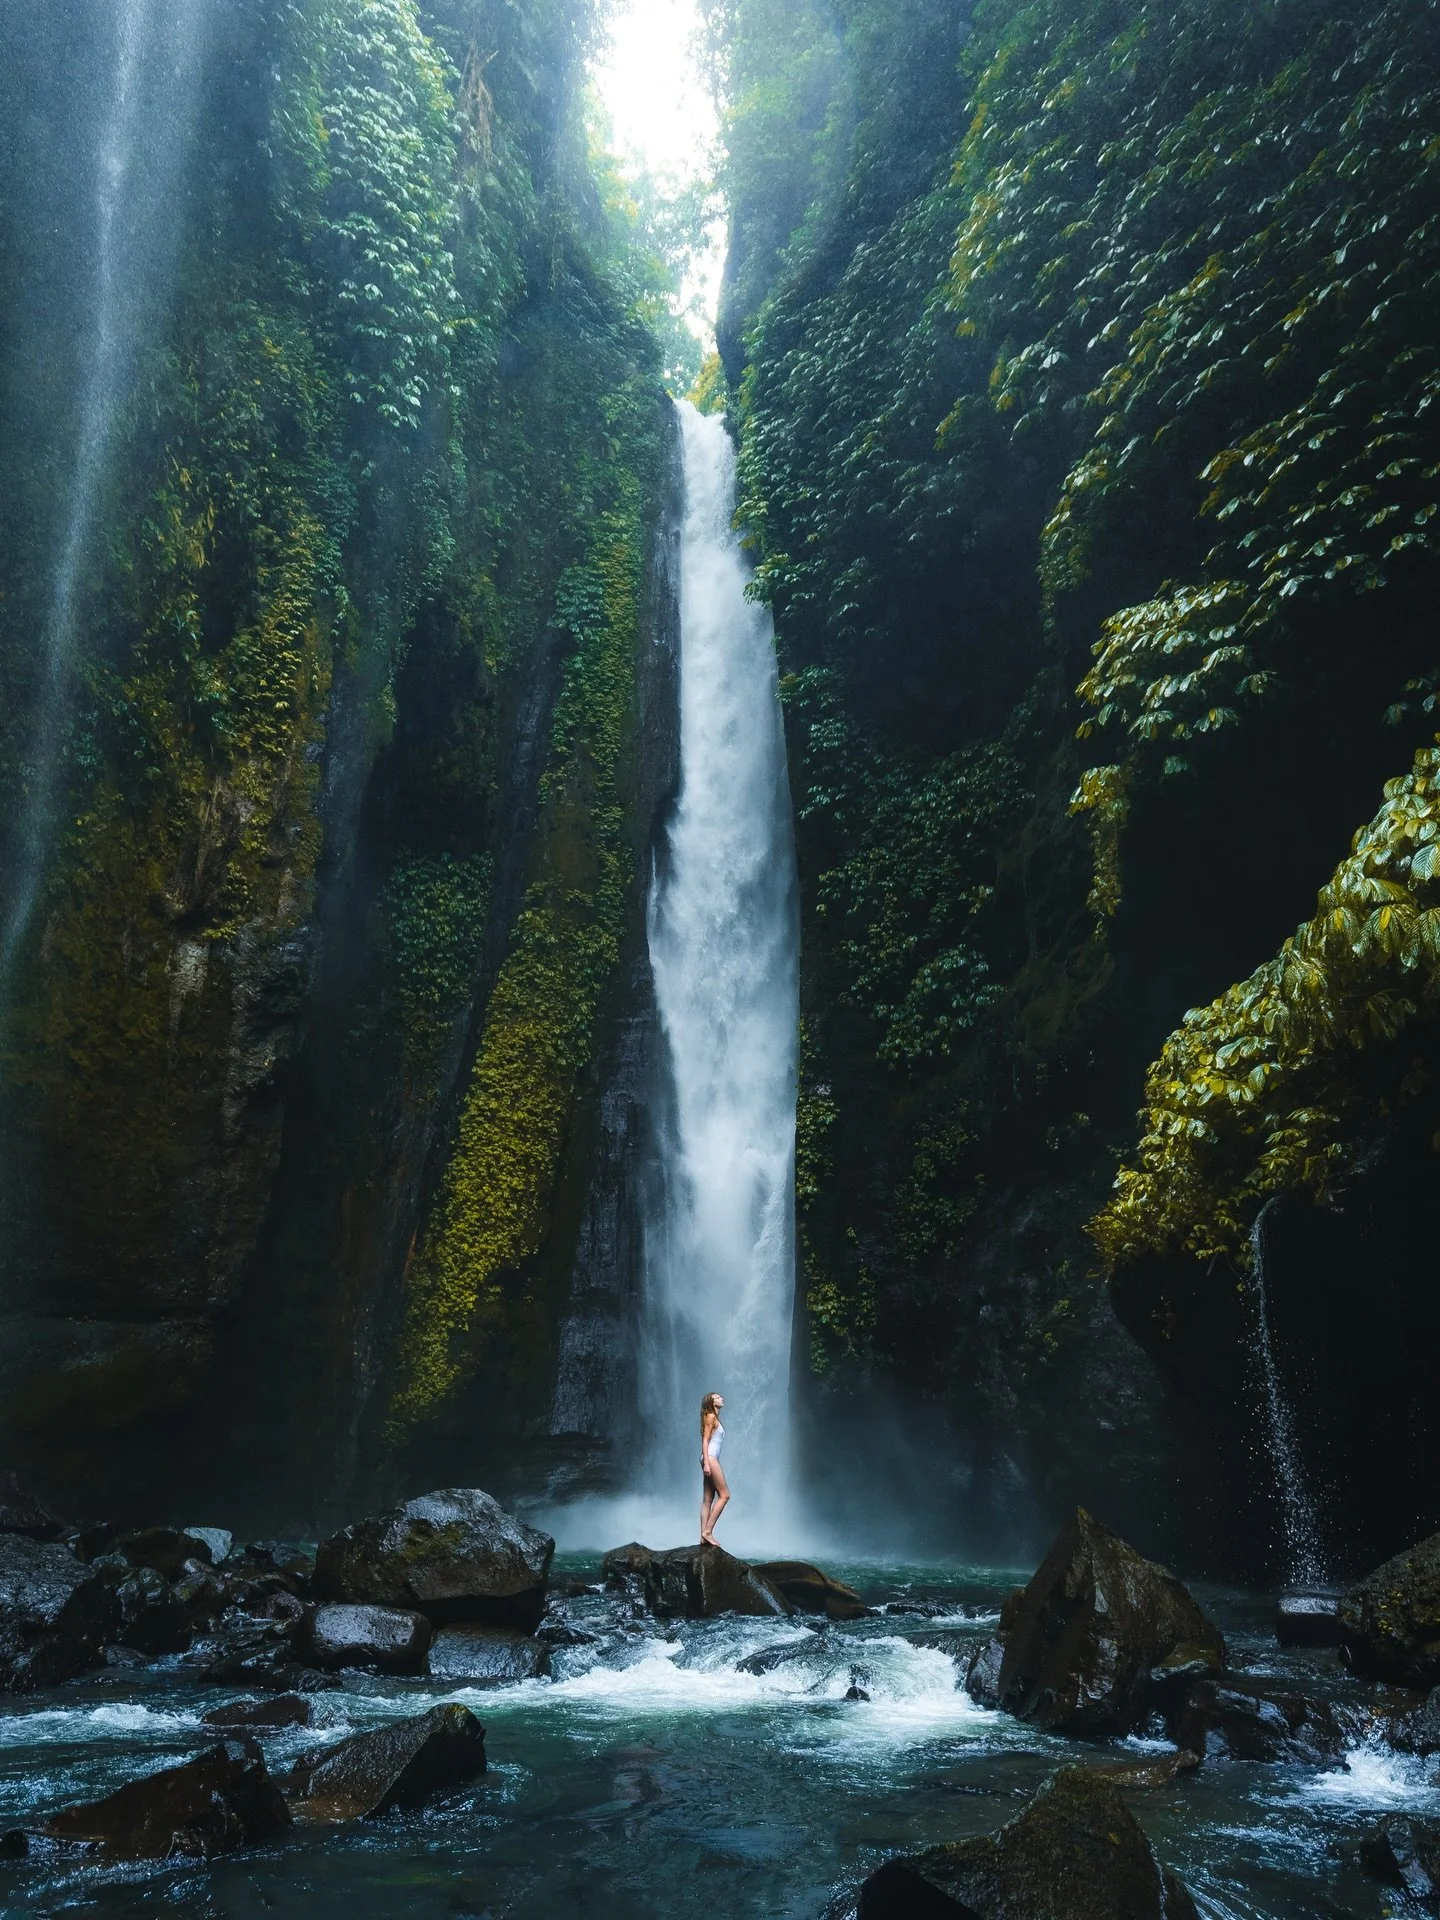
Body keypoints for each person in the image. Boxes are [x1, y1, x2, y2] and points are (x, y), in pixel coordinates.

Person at [700, 1391, 729, 1545]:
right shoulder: (711, 1416)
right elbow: (705, 1440)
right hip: (710, 1458)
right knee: (725, 1495)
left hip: (709, 1458)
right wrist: (706, 1463)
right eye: (717, 1397)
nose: (721, 1398)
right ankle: (708, 1531)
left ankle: (702, 1538)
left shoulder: (714, 1417)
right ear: (711, 1403)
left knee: (708, 1499)